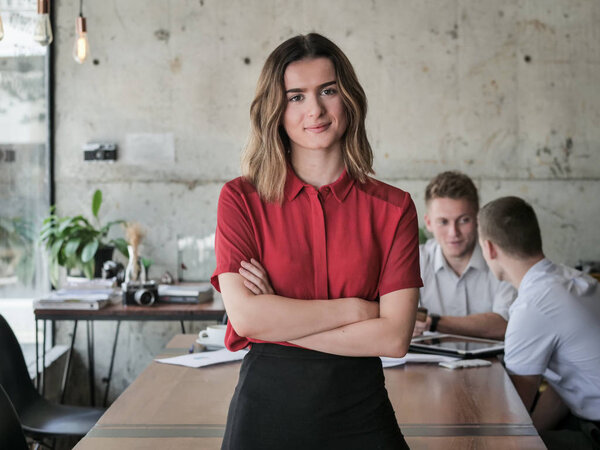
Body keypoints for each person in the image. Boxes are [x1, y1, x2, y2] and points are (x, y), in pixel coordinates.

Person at [211, 33, 422, 449]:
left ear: (349, 99)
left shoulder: (394, 208)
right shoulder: (239, 199)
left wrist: (278, 319)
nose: (316, 110)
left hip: (361, 413)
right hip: (265, 414)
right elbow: (247, 320)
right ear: (275, 110)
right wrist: (359, 310)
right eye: (296, 97)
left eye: (328, 91)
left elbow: (394, 338)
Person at [478, 196, 600, 450]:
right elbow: (563, 389)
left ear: (489, 248)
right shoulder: (574, 281)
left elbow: (512, 409)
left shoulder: (533, 307)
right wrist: (532, 431)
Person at [413, 171, 515, 339]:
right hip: (426, 364)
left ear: (478, 219)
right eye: (443, 222)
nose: (454, 233)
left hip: (494, 364)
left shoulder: (503, 258)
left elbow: (506, 326)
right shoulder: (415, 262)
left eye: (463, 220)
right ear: (429, 223)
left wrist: (434, 322)